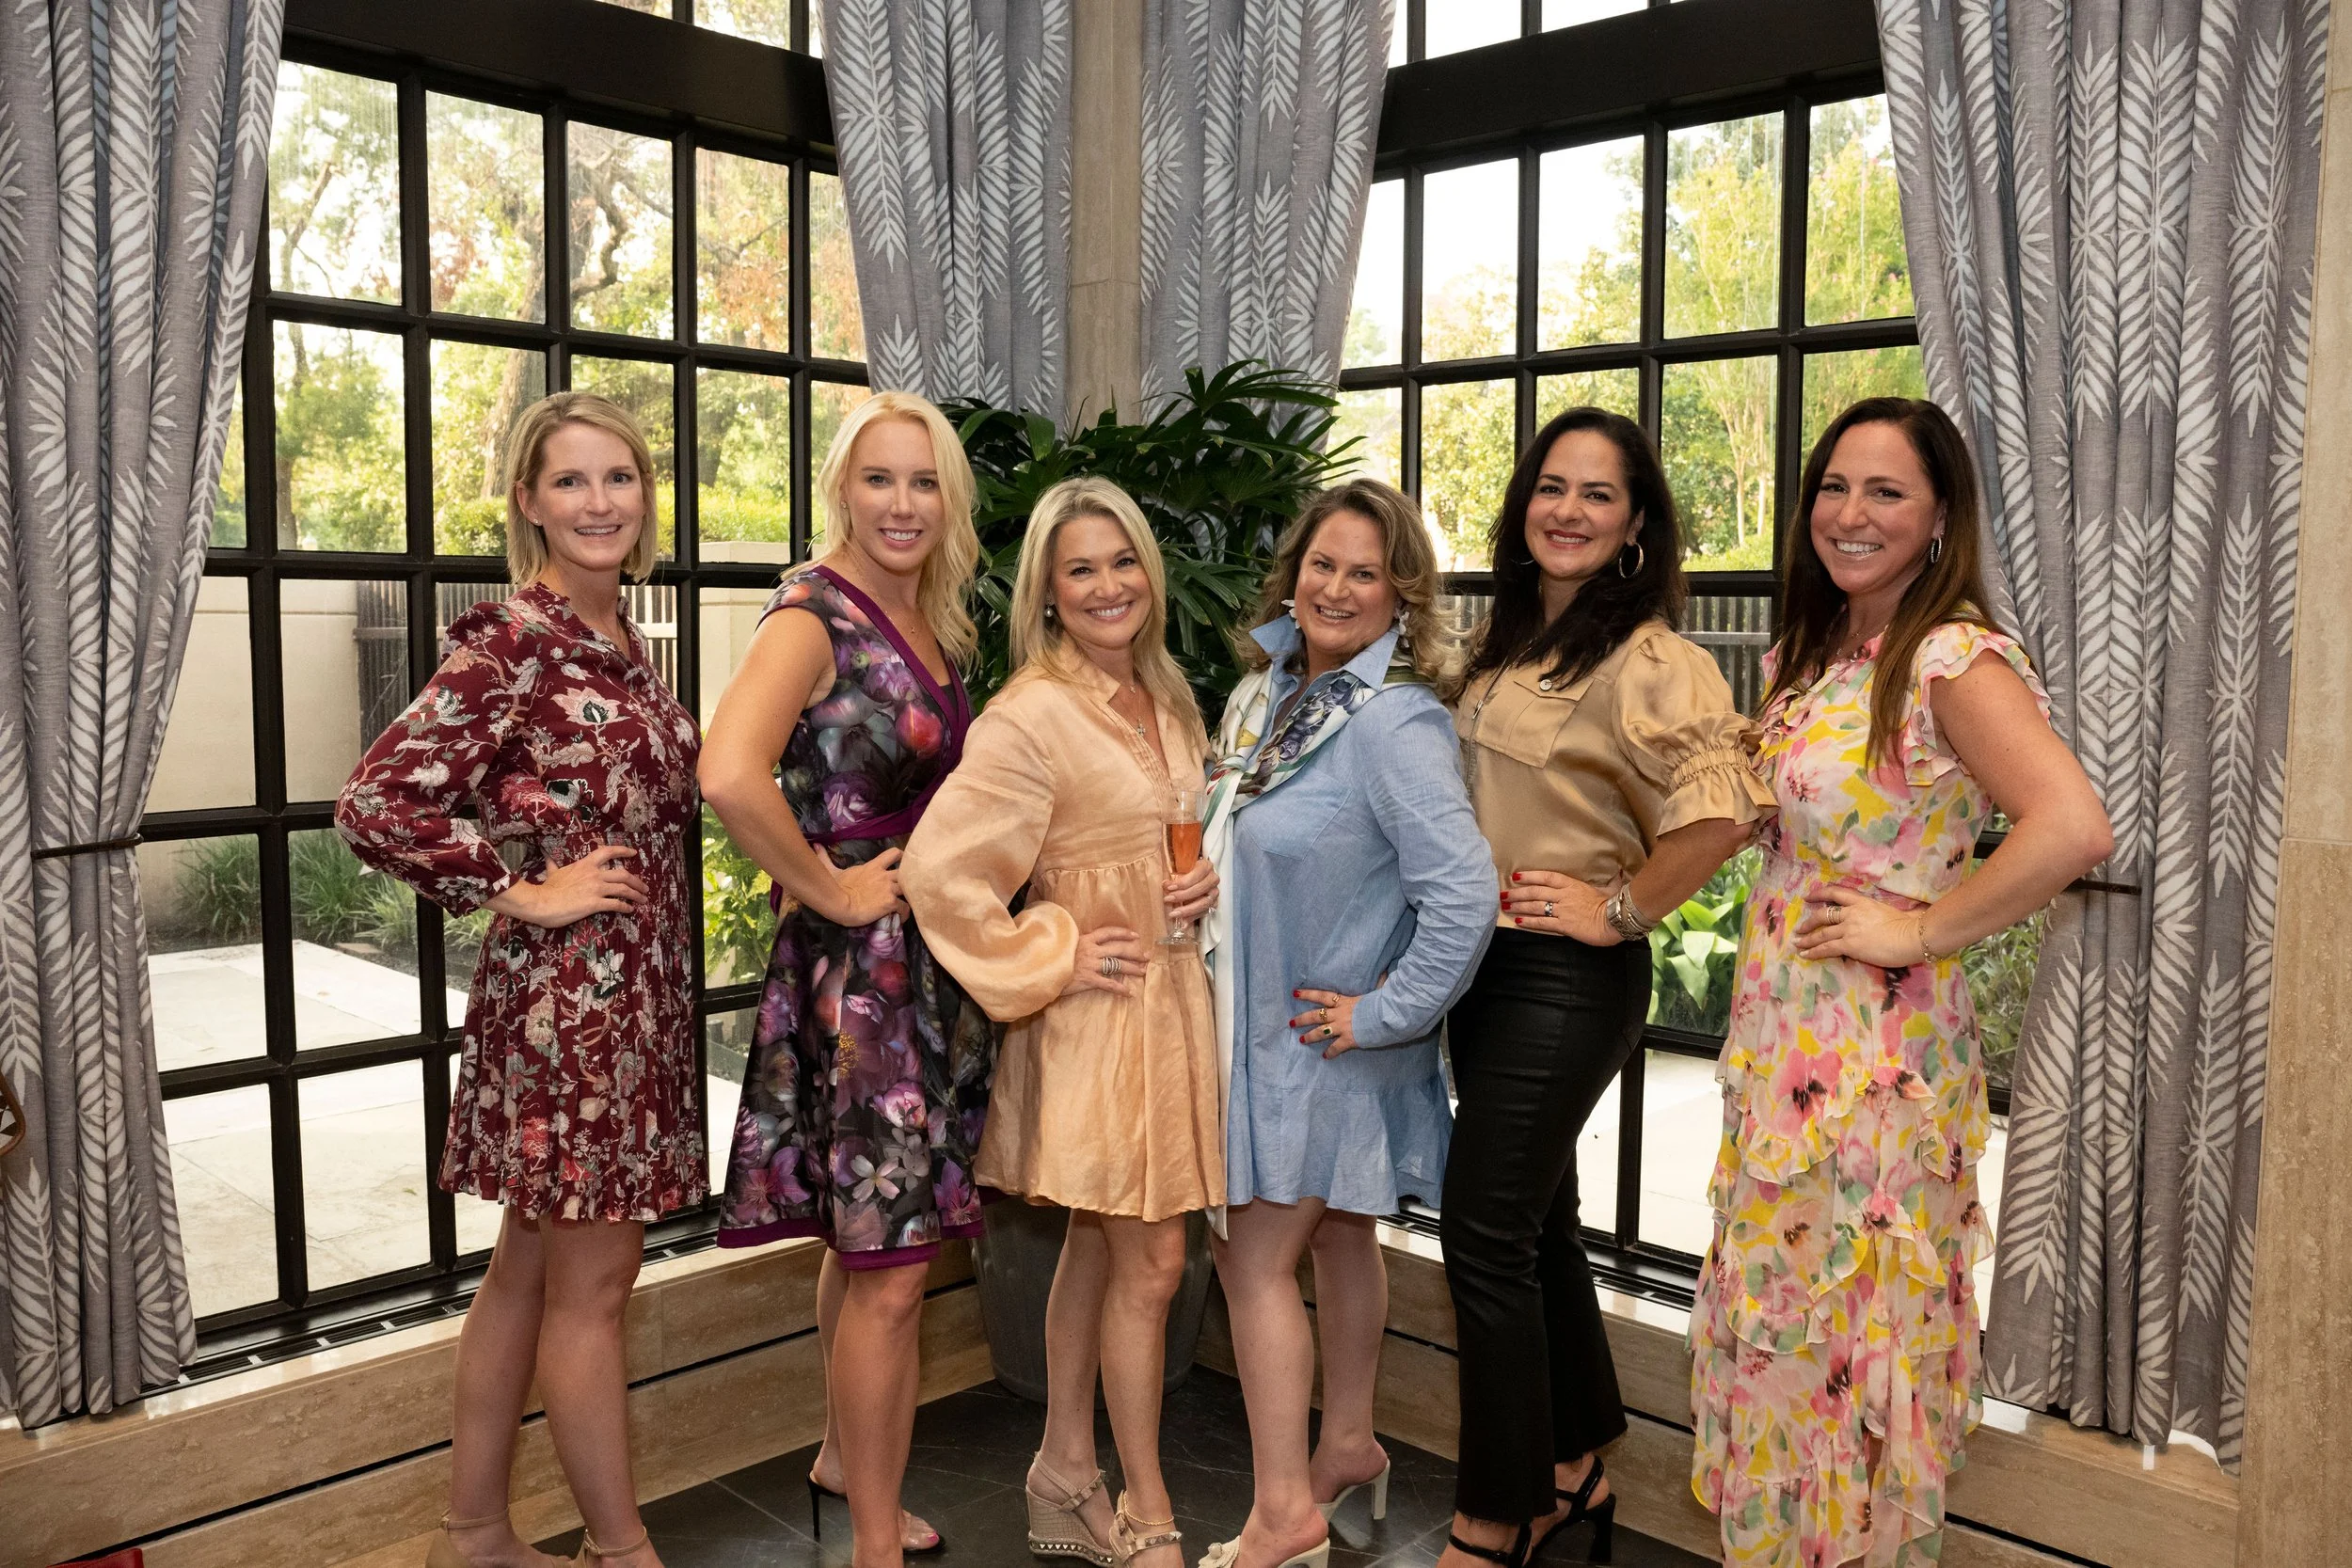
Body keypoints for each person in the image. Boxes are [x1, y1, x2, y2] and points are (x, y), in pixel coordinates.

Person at [1689, 398, 2112, 1568]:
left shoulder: (1946, 653)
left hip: (1873, 1071)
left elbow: (2071, 824)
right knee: (1782, 1330)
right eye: (1834, 486)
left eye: (1885, 491)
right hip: (1780, 1056)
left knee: (1847, 1341)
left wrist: (1917, 928)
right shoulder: (1816, 652)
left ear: (1937, 519)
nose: (1850, 513)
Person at [337, 392, 701, 1568]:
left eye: (620, 478)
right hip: (570, 1011)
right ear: (529, 502)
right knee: (595, 1287)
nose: (600, 502)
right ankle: (622, 1548)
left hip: (620, 999)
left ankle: (475, 1530)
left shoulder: (618, 637)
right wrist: (521, 888)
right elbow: (376, 800)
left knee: (528, 1269)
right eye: (571, 481)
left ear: (644, 496)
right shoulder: (515, 639)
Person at [1439, 408, 1775, 1568]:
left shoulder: (1649, 657)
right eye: (1551, 485)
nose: (1568, 509)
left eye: (1598, 493)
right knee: (1534, 1226)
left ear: (1636, 525)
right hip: (1481, 973)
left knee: (1478, 1232)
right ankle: (1576, 1460)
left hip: (1566, 973)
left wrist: (1620, 905)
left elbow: (1728, 804)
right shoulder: (1502, 639)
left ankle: (1497, 1515)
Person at [900, 476, 1222, 1568]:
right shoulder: (1029, 712)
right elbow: (945, 872)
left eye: (1122, 559)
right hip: (1093, 1015)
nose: (1106, 584)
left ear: (1149, 571)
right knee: (1153, 1263)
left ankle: (1060, 1470)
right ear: (1042, 592)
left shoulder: (1168, 694)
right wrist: (1054, 948)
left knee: (1101, 1242)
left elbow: (1170, 831)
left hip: (1169, 1002)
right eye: (1077, 569)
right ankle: (1149, 1506)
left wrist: (1197, 881)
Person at [699, 391, 992, 1568]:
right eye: (879, 478)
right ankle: (875, 1538)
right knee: (891, 1269)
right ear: (841, 489)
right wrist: (827, 886)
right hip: (865, 974)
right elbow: (727, 769)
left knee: (863, 1244)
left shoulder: (934, 614)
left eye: (923, 481)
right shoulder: (811, 611)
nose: (903, 502)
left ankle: (838, 1453)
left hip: (925, 964)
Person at [1196, 480, 1497, 1568]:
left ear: (1401, 596)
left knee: (1251, 1264)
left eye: (1364, 571)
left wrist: (1387, 1013)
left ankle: (1284, 1513)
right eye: (1322, 562)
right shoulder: (1256, 697)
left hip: (1324, 1040)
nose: (1336, 586)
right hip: (1265, 1025)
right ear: (1293, 572)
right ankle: (1352, 1439)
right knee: (1337, 1233)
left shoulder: (1394, 720)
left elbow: (1463, 891)